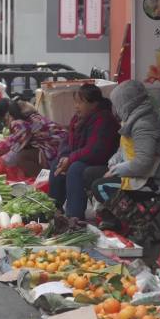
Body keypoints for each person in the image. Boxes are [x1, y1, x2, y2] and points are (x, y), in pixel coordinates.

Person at [91, 80, 160, 230]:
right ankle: (113, 220)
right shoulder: (133, 120)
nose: (114, 108)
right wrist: (114, 163)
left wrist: (115, 170)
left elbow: (142, 163)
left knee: (101, 186)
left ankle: (137, 224)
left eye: (116, 103)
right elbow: (123, 150)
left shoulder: (143, 124)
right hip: (141, 174)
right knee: (89, 174)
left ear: (126, 102)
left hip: (154, 181)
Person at [48, 84, 120, 219]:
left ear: (94, 104)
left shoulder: (104, 119)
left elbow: (95, 150)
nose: (76, 106)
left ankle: (74, 217)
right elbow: (67, 141)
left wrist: (71, 159)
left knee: (75, 169)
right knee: (57, 164)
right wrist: (64, 157)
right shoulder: (78, 118)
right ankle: (53, 209)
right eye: (75, 102)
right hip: (82, 157)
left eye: (80, 102)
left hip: (102, 162)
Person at [0, 98, 67, 178]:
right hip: (58, 144)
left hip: (57, 148)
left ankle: (46, 179)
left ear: (6, 116)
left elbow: (14, 146)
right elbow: (13, 141)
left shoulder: (19, 123)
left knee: (22, 157)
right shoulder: (27, 115)